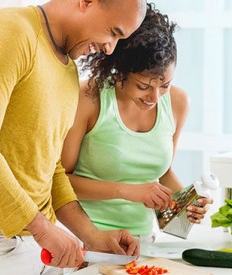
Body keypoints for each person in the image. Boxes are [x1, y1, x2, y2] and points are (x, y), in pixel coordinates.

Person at [0, 0, 147, 274]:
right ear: (87, 2)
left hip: (40, 248)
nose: (109, 48)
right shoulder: (11, 29)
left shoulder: (69, 70)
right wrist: (42, 229)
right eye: (113, 32)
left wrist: (93, 237)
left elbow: (50, 168)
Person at [61, 3, 213, 243]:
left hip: (143, 242)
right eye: (143, 86)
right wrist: (126, 190)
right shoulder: (89, 97)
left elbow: (162, 173)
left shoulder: (178, 103)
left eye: (165, 85)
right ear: (120, 71)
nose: (154, 98)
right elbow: (60, 179)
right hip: (86, 240)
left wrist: (186, 202)